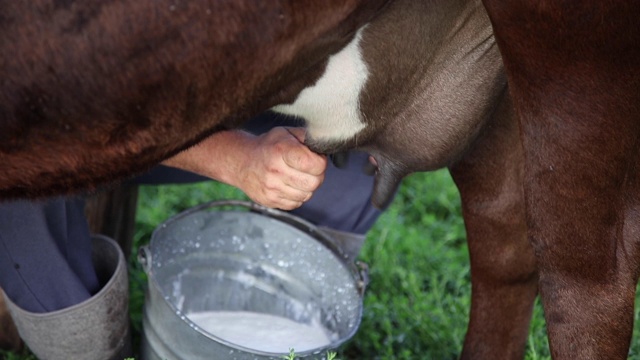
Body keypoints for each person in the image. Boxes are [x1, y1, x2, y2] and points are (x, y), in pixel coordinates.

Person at [0, 112, 388, 359]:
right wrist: (232, 156)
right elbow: (36, 109)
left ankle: (284, 320)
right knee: (23, 192)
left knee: (347, 160)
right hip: (56, 126)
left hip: (195, 107)